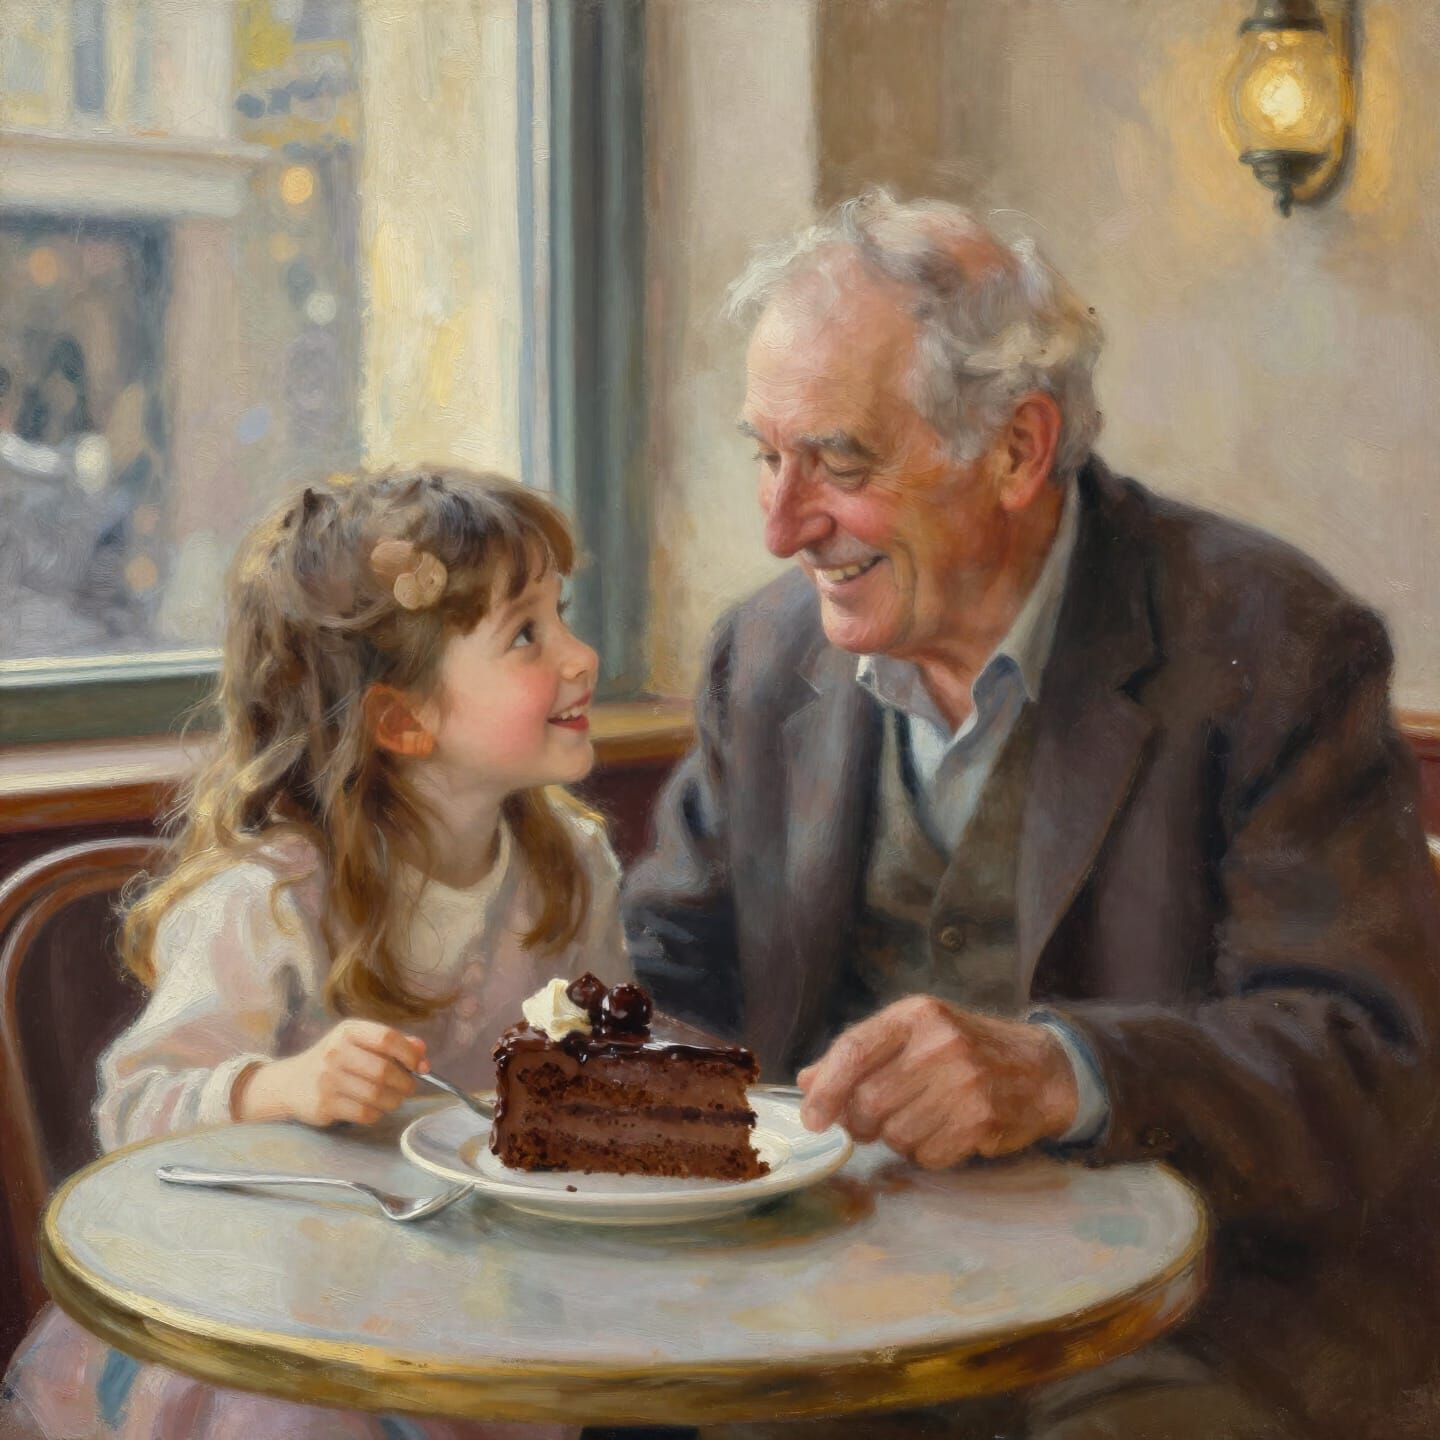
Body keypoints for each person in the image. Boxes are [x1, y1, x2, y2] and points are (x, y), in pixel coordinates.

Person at [624, 192, 1440, 1439]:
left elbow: (1367, 1058)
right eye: (765, 455)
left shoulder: (1273, 641)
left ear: (1015, 449)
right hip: (826, 1305)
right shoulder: (765, 656)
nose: (781, 525)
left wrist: (1070, 1074)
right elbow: (672, 981)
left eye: (839, 463)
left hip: (1182, 1318)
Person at [2, 468, 626, 1440]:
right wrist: (280, 1088)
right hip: (274, 1330)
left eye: (563, 616)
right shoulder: (271, 898)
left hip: (472, 1305)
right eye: (526, 636)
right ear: (401, 720)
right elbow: (135, 1102)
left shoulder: (570, 870)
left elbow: (600, 1047)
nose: (581, 657)